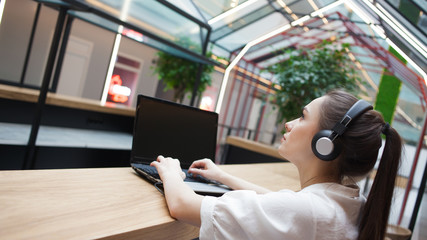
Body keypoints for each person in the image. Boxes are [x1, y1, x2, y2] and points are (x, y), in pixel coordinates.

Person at [150, 90, 402, 240]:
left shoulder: (307, 210)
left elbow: (183, 206)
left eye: (302, 117)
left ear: (326, 143)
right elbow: (278, 203)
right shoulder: (351, 204)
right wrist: (222, 176)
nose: (289, 124)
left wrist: (171, 171)